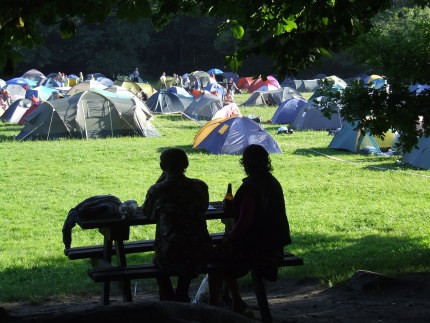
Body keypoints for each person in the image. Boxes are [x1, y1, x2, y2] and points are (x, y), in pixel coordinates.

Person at [209, 144, 292, 316]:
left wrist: (229, 238)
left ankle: (216, 306)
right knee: (223, 252)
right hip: (274, 246)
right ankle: (233, 301)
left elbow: (245, 222)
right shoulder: (272, 182)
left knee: (216, 258)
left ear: (245, 163)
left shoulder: (250, 187)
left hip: (258, 249)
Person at [142, 148, 213, 302]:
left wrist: (160, 181)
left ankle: (167, 297)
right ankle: (181, 292)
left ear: (162, 167)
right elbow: (204, 208)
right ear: (186, 164)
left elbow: (147, 214)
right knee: (187, 245)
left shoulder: (157, 190)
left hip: (170, 254)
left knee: (160, 260)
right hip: (200, 250)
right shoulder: (200, 186)